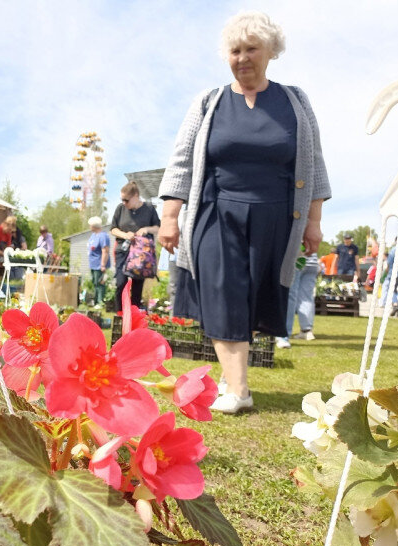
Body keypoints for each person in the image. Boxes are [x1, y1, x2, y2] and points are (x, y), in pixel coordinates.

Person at [157, 11, 330, 414]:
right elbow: (181, 161)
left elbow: (314, 163)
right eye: (235, 50)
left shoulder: (294, 101)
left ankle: (230, 376)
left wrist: (314, 221)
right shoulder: (209, 101)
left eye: (252, 48)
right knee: (222, 291)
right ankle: (239, 390)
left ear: (271, 52)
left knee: (251, 297)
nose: (243, 57)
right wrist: (170, 216)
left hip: (275, 217)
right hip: (215, 212)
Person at [111, 181, 160, 311]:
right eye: (122, 199)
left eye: (126, 200)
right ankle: (120, 314)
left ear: (136, 196)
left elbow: (157, 228)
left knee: (137, 286)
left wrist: (146, 229)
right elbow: (113, 229)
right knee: (121, 283)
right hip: (123, 250)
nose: (124, 203)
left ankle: (134, 316)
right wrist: (125, 235)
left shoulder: (149, 209)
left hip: (141, 254)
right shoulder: (120, 209)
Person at [276, 252, 319, 348]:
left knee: (291, 294)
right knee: (307, 297)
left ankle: (284, 334)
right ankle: (306, 330)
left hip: (298, 258)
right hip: (313, 262)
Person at [87, 216, 110, 305]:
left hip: (99, 265)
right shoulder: (93, 235)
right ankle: (95, 301)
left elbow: (105, 251)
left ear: (94, 226)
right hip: (93, 264)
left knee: (100, 283)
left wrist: (103, 265)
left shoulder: (103, 236)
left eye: (90, 225)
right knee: (95, 283)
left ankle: (100, 302)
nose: (89, 227)